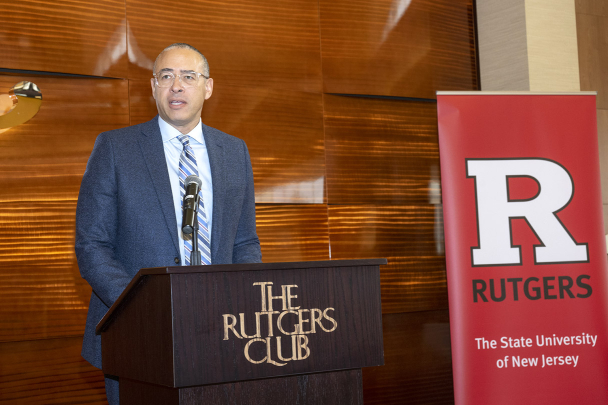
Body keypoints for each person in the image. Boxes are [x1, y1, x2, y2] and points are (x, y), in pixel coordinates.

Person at [75, 43, 262, 404]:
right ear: (152, 87)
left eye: (188, 76)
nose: (177, 86)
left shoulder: (234, 151)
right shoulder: (116, 148)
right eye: (166, 76)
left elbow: (245, 242)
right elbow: (92, 245)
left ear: (207, 87)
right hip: (138, 333)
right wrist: (147, 306)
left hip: (221, 331)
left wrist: (241, 302)